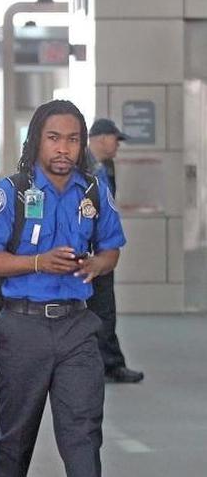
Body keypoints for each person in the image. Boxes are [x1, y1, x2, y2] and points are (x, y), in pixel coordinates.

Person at [0, 100, 130, 477]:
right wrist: (38, 262)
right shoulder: (11, 192)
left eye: (73, 139)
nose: (64, 149)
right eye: (54, 138)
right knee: (16, 430)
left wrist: (95, 265)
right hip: (23, 325)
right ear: (37, 141)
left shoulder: (94, 191)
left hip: (78, 326)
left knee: (83, 432)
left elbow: (111, 251)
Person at [87, 119, 144, 384]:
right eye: (114, 139)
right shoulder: (82, 167)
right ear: (99, 138)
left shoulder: (105, 167)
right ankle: (106, 364)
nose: (117, 146)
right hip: (86, 251)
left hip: (102, 248)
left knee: (104, 308)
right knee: (99, 308)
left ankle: (109, 363)